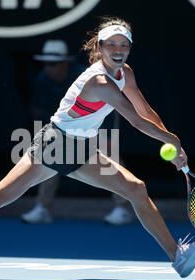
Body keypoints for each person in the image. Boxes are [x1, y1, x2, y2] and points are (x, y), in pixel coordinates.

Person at [0, 16, 195, 278]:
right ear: (99, 48)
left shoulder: (124, 73)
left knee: (137, 189)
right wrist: (174, 141)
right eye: (111, 44)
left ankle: (177, 258)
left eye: (123, 45)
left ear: (129, 49)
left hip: (84, 150)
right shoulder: (98, 83)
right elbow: (136, 122)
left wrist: (172, 139)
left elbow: (146, 111)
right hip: (54, 145)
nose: (118, 50)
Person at [21, 39, 135, 225]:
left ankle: (121, 208)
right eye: (46, 63)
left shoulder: (87, 77)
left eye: (53, 63)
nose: (48, 68)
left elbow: (105, 107)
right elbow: (41, 111)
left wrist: (105, 136)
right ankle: (43, 208)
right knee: (49, 154)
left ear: (65, 62)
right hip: (68, 126)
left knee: (109, 154)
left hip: (98, 121)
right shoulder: (43, 80)